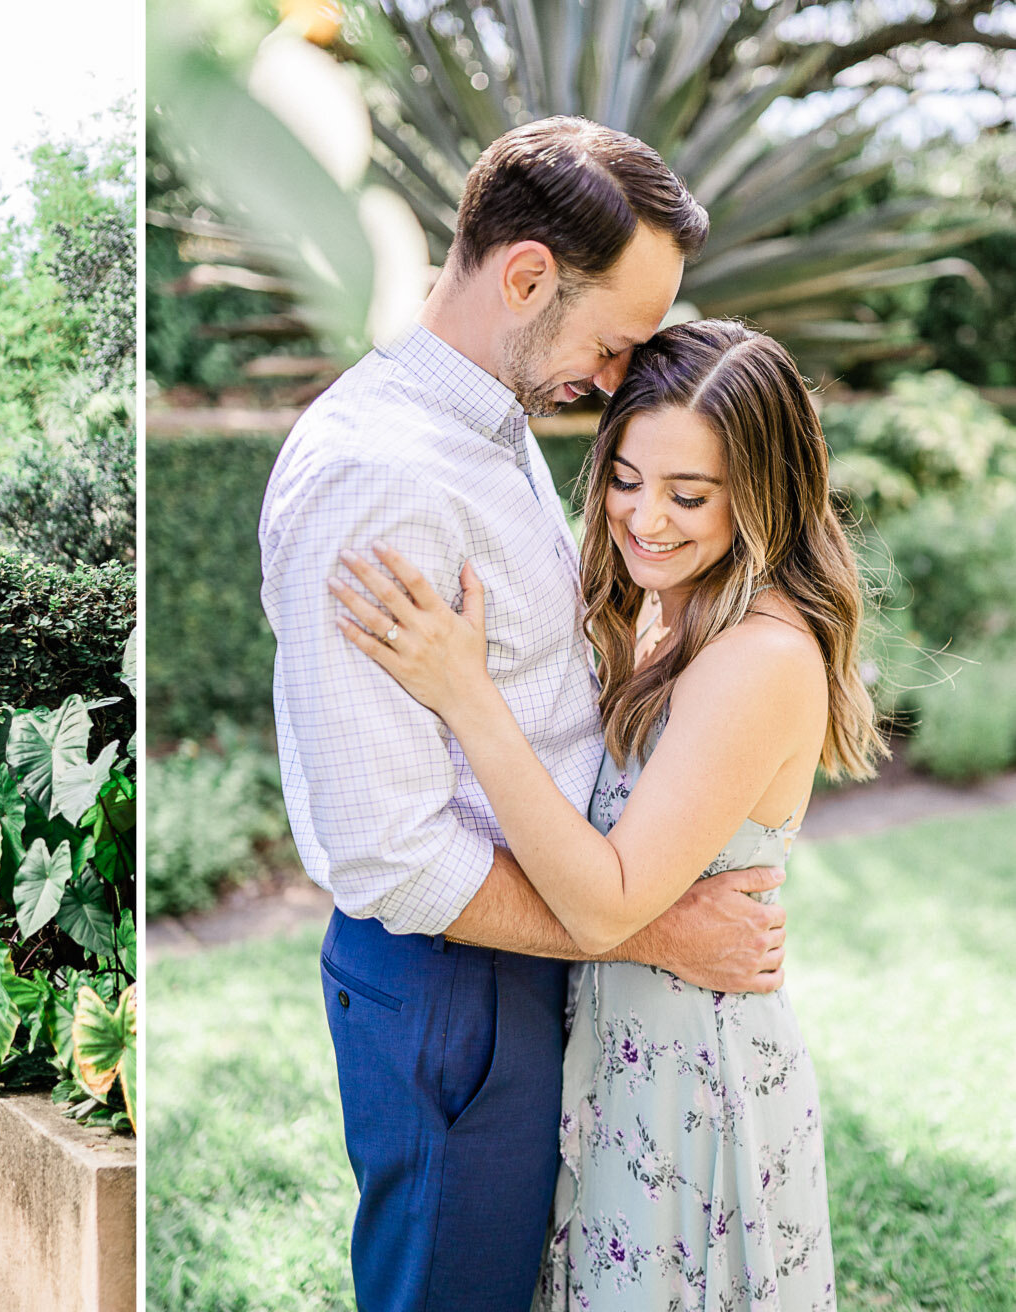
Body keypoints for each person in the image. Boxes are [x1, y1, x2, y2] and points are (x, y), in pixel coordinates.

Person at [258, 117, 788, 1311]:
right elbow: (393, 855)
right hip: (460, 985)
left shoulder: (480, 432)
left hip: (518, 957)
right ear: (528, 276)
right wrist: (649, 930)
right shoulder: (385, 476)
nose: (615, 379)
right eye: (615, 342)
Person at [330, 318, 883, 1306]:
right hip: (618, 1054)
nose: (645, 518)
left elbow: (601, 904)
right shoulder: (662, 609)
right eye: (625, 476)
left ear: (764, 492)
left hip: (689, 1081)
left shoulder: (757, 656)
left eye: (689, 494)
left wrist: (466, 692)